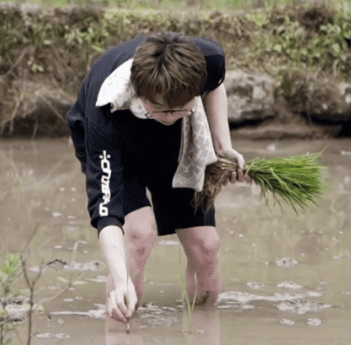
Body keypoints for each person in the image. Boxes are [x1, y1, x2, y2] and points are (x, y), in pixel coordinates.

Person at [66, 32, 247, 323]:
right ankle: (121, 344)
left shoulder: (209, 59)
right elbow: (106, 212)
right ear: (139, 90)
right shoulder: (102, 113)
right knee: (139, 234)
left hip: (179, 143)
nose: (170, 116)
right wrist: (121, 277)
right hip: (118, 140)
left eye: (180, 108)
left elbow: (215, 86)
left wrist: (223, 145)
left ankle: (204, 342)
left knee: (206, 246)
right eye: (161, 109)